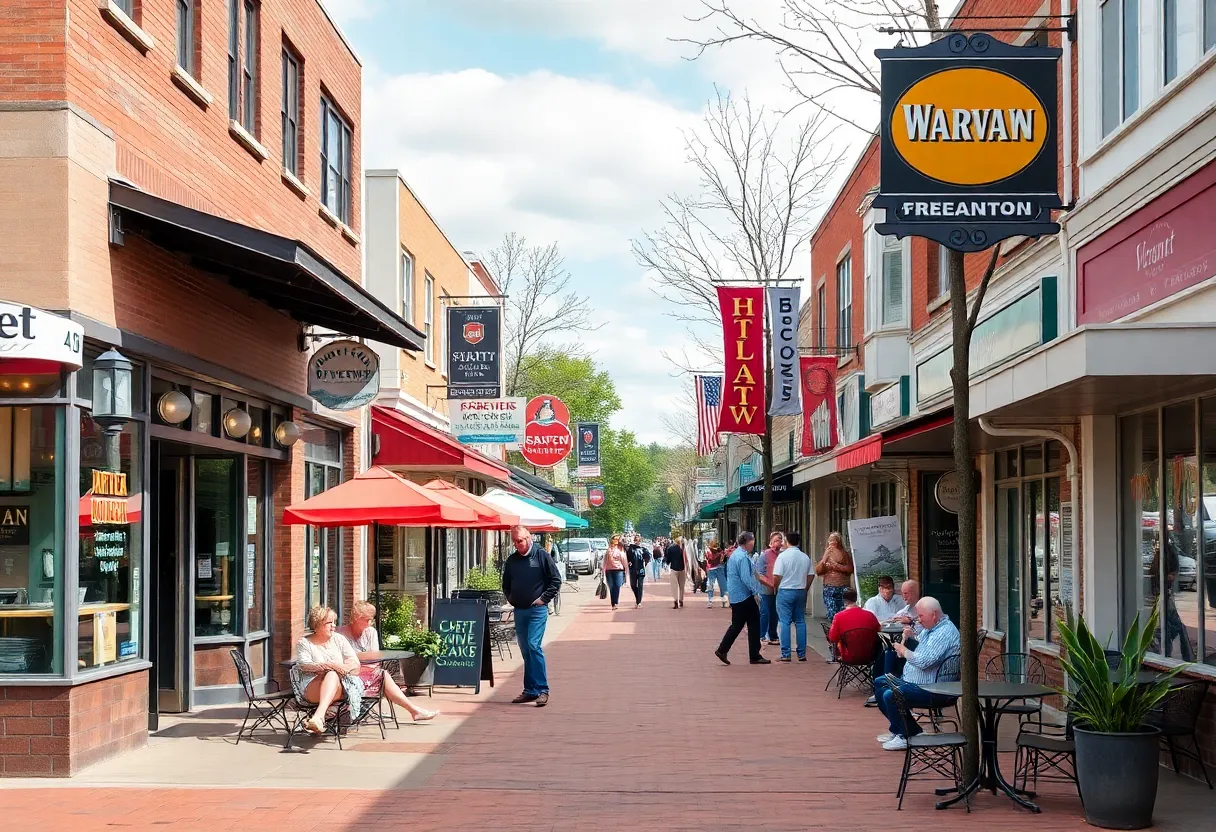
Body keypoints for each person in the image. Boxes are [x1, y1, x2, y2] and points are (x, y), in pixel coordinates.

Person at [873, 597, 961, 751]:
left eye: (920, 616)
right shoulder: (933, 628)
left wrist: (904, 650)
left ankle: (904, 736)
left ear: (934, 615)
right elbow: (926, 647)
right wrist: (912, 636)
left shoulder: (944, 632)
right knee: (880, 682)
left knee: (891, 695)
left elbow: (924, 661)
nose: (918, 620)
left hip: (933, 688)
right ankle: (906, 730)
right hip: (917, 681)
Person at [338, 600, 438, 722]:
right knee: (384, 675)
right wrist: (360, 658)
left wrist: (357, 657)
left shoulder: (371, 632)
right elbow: (343, 660)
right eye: (366, 619)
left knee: (383, 675)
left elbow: (375, 658)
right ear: (356, 618)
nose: (370, 623)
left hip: (369, 672)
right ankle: (414, 710)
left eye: (372, 619)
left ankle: (414, 710)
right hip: (349, 675)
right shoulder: (340, 634)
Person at [501, 525, 563, 706]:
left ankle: (543, 689)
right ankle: (530, 690)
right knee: (525, 650)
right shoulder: (512, 561)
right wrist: (511, 598)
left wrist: (543, 599)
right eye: (514, 541)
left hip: (537, 610)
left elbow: (555, 580)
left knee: (533, 645)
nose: (517, 544)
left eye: (520, 540)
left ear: (529, 538)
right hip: (520, 610)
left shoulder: (541, 555)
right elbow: (506, 583)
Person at [294, 605, 364, 735]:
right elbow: (305, 665)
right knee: (331, 673)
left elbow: (355, 664)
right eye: (329, 623)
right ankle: (324, 715)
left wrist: (345, 667)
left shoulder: (339, 639)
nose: (334, 626)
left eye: (334, 622)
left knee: (332, 675)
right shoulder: (304, 643)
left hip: (341, 687)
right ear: (317, 624)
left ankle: (319, 717)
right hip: (312, 687)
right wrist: (332, 666)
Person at [714, 532, 771, 666]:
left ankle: (726, 650)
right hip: (743, 596)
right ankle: (749, 654)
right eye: (752, 541)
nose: (753, 544)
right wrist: (756, 591)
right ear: (748, 542)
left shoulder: (738, 555)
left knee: (742, 624)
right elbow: (746, 578)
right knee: (749, 623)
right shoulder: (741, 557)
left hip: (738, 596)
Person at [771, 531, 813, 662]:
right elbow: (811, 575)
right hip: (800, 590)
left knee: (784, 621)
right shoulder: (805, 557)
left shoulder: (783, 557)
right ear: (798, 542)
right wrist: (805, 588)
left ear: (786, 542)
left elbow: (777, 575)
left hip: (785, 590)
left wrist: (775, 587)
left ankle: (786, 653)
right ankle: (801, 653)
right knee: (800, 621)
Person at [826, 588, 881, 663]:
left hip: (848, 656)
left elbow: (832, 638)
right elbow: (879, 631)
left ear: (844, 601)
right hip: (870, 656)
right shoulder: (870, 615)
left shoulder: (838, 617)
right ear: (856, 599)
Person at [815, 532, 855, 623]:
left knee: (843, 611)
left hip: (843, 586)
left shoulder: (845, 554)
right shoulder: (826, 554)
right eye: (830, 540)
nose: (832, 542)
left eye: (834, 540)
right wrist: (824, 558)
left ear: (839, 542)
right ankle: (834, 630)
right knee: (832, 612)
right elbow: (818, 571)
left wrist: (836, 565)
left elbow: (850, 569)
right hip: (829, 586)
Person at [753, 531, 783, 645]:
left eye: (780, 539)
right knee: (765, 611)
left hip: (779, 589)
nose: (778, 542)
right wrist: (770, 584)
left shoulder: (783, 555)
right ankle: (761, 635)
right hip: (766, 589)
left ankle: (773, 635)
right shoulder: (764, 555)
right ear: (770, 543)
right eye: (776, 540)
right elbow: (759, 573)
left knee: (774, 612)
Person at [602, 534, 629, 611]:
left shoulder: (621, 550)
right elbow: (605, 562)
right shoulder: (608, 550)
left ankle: (615, 602)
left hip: (619, 570)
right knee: (611, 587)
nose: (615, 541)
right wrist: (603, 573)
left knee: (617, 586)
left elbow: (625, 563)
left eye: (616, 540)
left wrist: (627, 575)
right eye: (614, 539)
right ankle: (613, 603)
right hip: (609, 571)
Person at [626, 533, 649, 608]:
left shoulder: (643, 549)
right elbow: (627, 557)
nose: (636, 541)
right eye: (635, 540)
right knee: (633, 585)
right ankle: (637, 598)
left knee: (640, 585)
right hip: (632, 569)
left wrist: (645, 563)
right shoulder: (630, 548)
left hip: (641, 569)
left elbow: (648, 557)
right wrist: (628, 561)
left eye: (638, 540)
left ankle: (639, 602)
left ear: (640, 541)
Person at [665, 535, 687, 609]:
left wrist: (668, 562)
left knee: (674, 586)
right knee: (682, 586)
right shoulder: (683, 549)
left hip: (673, 569)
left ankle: (675, 600)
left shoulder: (670, 548)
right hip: (682, 569)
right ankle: (681, 600)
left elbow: (668, 560)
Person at [705, 539, 729, 608]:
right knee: (722, 585)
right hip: (719, 568)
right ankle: (723, 601)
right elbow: (721, 560)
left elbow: (707, 559)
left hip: (711, 569)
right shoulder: (720, 551)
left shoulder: (708, 551)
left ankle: (710, 601)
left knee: (710, 585)